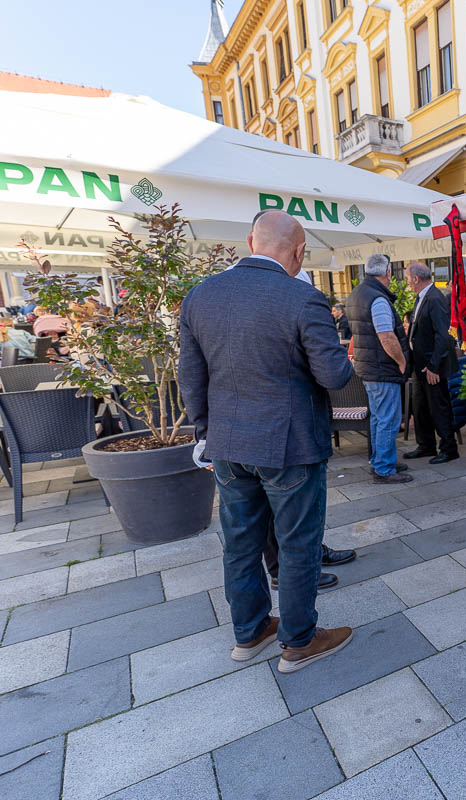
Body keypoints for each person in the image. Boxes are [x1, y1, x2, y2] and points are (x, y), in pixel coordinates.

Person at [179, 210, 355, 674]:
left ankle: (251, 631)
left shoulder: (200, 296)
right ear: (298, 252)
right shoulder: (303, 298)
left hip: (227, 444)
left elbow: (190, 378)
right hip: (290, 446)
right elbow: (335, 375)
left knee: (240, 544)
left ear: (249, 240)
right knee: (298, 546)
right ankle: (298, 641)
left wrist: (205, 433)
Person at [347, 254, 414, 484]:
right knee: (388, 419)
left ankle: (380, 461)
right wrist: (402, 361)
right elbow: (386, 335)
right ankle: (384, 468)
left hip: (369, 367)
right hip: (381, 368)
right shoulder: (377, 298)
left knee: (378, 418)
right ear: (387, 273)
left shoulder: (358, 293)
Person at [403, 261, 458, 464]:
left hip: (433, 365)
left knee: (438, 407)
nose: (407, 282)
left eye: (408, 278)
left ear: (416, 278)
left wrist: (434, 366)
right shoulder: (422, 297)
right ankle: (425, 445)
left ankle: (448, 448)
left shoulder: (434, 298)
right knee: (420, 407)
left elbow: (443, 336)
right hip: (420, 365)